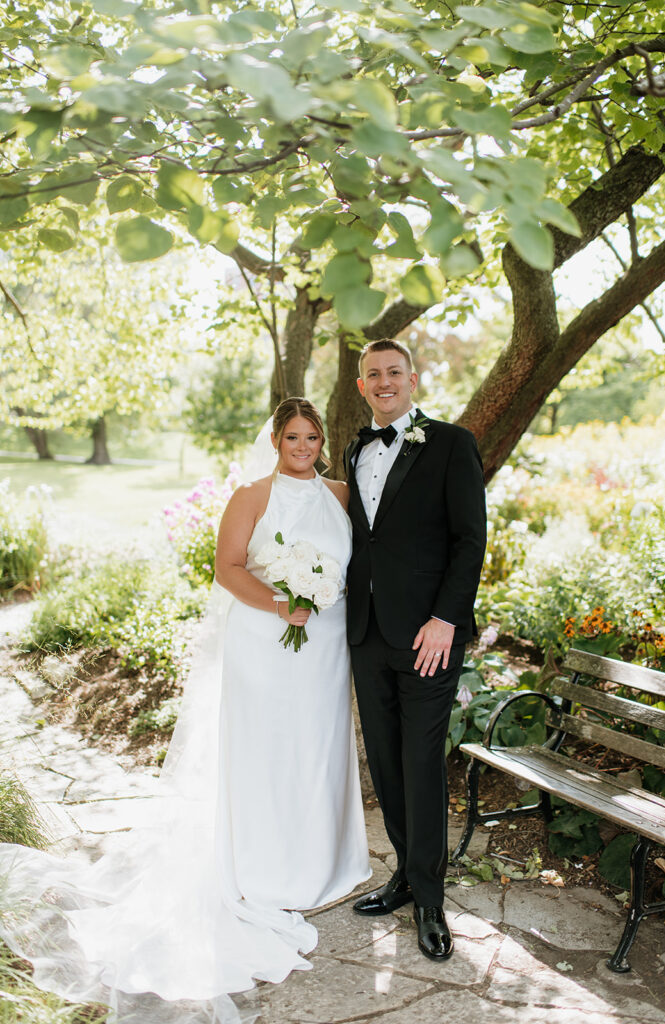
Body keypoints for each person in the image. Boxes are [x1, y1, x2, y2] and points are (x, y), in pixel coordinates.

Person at [0, 397, 369, 1024]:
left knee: (318, 748)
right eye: (292, 437)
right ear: (276, 439)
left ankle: (321, 861)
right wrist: (282, 603)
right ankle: (262, 869)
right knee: (263, 751)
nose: (302, 446)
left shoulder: (339, 495)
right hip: (265, 641)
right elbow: (226, 568)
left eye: (311, 437)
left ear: (321, 441)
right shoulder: (252, 495)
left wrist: (316, 598)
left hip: (324, 649)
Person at [344, 339, 487, 961]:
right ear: (360, 385)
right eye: (373, 374)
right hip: (367, 633)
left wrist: (445, 619)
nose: (384, 381)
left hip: (430, 636)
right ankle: (405, 874)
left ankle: (430, 899)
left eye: (394, 372)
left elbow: (469, 538)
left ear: (413, 378)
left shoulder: (451, 442)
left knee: (422, 762)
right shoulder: (353, 449)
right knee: (386, 760)